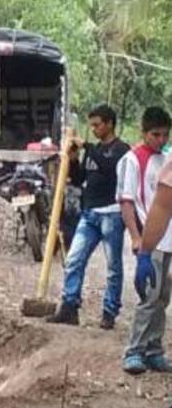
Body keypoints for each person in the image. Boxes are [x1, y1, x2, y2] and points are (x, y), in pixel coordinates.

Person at [46, 105, 129, 329]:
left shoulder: (121, 150)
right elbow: (82, 177)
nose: (93, 129)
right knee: (74, 259)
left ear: (110, 123)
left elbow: (110, 168)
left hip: (112, 213)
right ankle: (70, 306)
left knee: (113, 266)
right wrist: (73, 160)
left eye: (97, 125)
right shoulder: (93, 152)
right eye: (91, 125)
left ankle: (109, 312)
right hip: (90, 212)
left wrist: (87, 147)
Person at [119, 106, 172, 374]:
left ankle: (154, 348)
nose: (161, 140)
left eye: (165, 135)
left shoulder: (166, 159)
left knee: (163, 297)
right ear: (144, 132)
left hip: (168, 239)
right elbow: (127, 201)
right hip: (151, 239)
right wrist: (137, 237)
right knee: (148, 296)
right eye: (156, 134)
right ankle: (134, 349)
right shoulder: (133, 159)